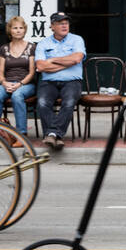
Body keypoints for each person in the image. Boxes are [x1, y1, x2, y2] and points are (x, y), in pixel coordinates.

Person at [35, 11, 84, 148]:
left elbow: (77, 58)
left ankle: (52, 134)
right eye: (60, 23)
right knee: (42, 102)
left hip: (72, 82)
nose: (64, 26)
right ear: (52, 26)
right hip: (49, 82)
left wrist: (52, 60)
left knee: (68, 102)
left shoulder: (77, 40)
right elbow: (40, 65)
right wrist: (67, 63)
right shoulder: (43, 43)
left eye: (66, 23)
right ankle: (56, 135)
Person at [0, 15, 36, 141]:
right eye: (15, 28)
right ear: (10, 30)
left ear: (25, 30)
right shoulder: (4, 49)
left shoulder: (31, 47)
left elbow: (32, 72)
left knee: (17, 96)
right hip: (8, 82)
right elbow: (0, 73)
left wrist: (20, 84)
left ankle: (21, 135)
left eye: (21, 28)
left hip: (26, 84)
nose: (18, 30)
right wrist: (4, 83)